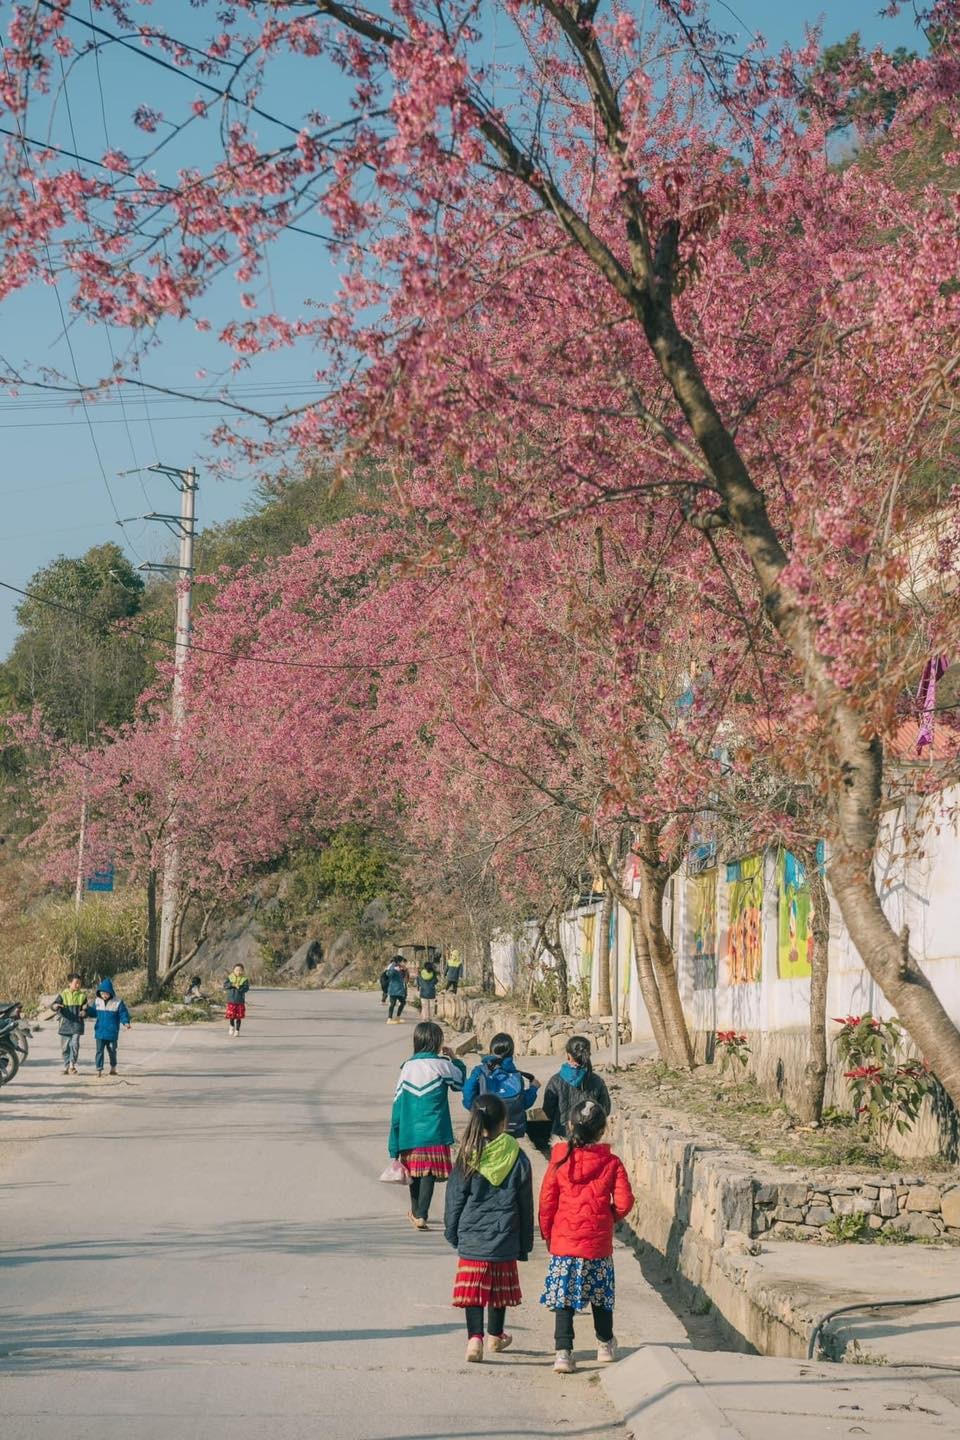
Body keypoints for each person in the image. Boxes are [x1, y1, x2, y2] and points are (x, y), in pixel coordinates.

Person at [538, 1097, 635, 1374]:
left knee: (563, 1299)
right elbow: (626, 1202)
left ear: (569, 1125)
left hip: (565, 1243)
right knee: (601, 1296)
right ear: (603, 1130)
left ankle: (563, 1353)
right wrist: (607, 1217)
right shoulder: (611, 1162)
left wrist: (548, 1232)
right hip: (597, 1246)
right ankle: (605, 1344)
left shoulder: (558, 1160)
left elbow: (547, 1201)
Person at [445, 1093, 534, 1363]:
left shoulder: (467, 1155)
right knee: (498, 1290)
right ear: (504, 1122)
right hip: (505, 1236)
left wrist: (453, 1231)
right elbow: (525, 1203)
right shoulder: (517, 1157)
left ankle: (475, 1339)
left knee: (474, 1291)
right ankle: (495, 1335)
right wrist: (524, 1242)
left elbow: (455, 1199)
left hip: (473, 1239)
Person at [388, 1020, 466, 1229]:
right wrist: (455, 1059)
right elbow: (460, 1083)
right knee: (428, 1172)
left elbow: (397, 1108)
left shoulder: (406, 1068)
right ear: (437, 1042)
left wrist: (393, 1145)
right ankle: (421, 1213)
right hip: (435, 1130)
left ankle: (417, 1212)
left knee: (414, 1171)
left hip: (410, 1132)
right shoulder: (443, 1065)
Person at [462, 1032, 539, 1138]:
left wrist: (474, 1110)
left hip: (486, 1127)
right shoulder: (516, 1075)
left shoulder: (480, 1072)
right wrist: (533, 1088)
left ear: (491, 1050)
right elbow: (524, 1103)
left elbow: (468, 1092)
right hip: (511, 1130)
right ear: (512, 1053)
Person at [542, 1035, 611, 1141]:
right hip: (590, 1137)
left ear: (568, 1055)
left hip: (561, 1137)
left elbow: (548, 1110)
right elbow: (605, 1109)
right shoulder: (597, 1081)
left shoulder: (555, 1081)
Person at [86, 978, 131, 1077]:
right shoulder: (97, 1001)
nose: (104, 995)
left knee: (112, 1051)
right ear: (99, 993)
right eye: (102, 993)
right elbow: (93, 1013)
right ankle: (99, 1069)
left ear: (111, 992)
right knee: (99, 1051)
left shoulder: (118, 1002)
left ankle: (113, 1068)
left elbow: (123, 1013)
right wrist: (87, 1010)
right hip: (100, 1032)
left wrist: (126, 1022)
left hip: (112, 1033)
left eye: (106, 993)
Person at [52, 974, 88, 1075]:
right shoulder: (63, 995)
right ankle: (66, 1065)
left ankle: (72, 1065)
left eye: (79, 983)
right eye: (76, 983)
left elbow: (85, 1009)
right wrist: (55, 1006)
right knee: (65, 1047)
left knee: (75, 1044)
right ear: (69, 983)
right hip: (65, 1025)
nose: (78, 985)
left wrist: (84, 1013)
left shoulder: (82, 996)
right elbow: (54, 1005)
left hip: (77, 1024)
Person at [224, 964, 250, 1037]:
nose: (238, 972)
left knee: (239, 1017)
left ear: (243, 971)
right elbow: (225, 985)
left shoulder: (244, 979)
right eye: (237, 970)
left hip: (240, 1002)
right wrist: (232, 984)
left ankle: (237, 1030)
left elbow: (246, 989)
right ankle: (231, 1026)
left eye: (240, 970)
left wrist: (239, 988)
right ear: (233, 970)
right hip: (231, 1001)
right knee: (231, 1016)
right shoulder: (230, 977)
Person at [385, 955, 409, 1024]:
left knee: (403, 1002)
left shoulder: (399, 966)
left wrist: (403, 970)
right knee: (392, 1004)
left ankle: (397, 1017)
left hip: (399, 989)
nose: (402, 962)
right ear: (398, 961)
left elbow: (402, 976)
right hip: (393, 989)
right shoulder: (392, 966)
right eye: (401, 961)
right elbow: (388, 974)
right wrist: (394, 969)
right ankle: (389, 1019)